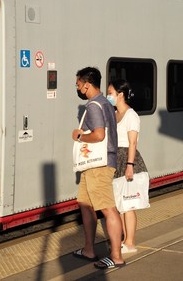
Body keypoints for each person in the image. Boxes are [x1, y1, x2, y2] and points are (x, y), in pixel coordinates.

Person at [71, 67, 124, 270]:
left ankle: (116, 257)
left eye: (78, 84)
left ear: (87, 84)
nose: (77, 88)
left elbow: (99, 135)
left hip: (99, 165)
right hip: (95, 164)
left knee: (108, 208)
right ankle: (88, 249)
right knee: (85, 204)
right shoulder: (106, 103)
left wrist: (79, 136)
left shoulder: (93, 105)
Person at [107, 79, 148, 255]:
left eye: (110, 93)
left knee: (129, 204)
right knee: (121, 204)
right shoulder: (115, 114)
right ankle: (124, 240)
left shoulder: (131, 115)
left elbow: (133, 142)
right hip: (117, 160)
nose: (108, 96)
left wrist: (130, 165)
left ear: (120, 94)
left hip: (128, 160)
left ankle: (130, 242)